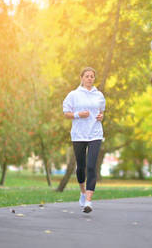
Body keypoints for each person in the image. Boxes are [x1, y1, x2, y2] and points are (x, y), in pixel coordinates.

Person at [62, 67, 105, 213]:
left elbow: (101, 111)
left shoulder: (99, 95)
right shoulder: (73, 95)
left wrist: (101, 117)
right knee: (81, 166)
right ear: (81, 78)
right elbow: (66, 113)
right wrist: (78, 114)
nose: (89, 78)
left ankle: (88, 201)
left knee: (92, 166)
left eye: (92, 76)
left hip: (95, 133)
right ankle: (82, 192)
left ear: (94, 79)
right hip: (79, 134)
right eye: (87, 76)